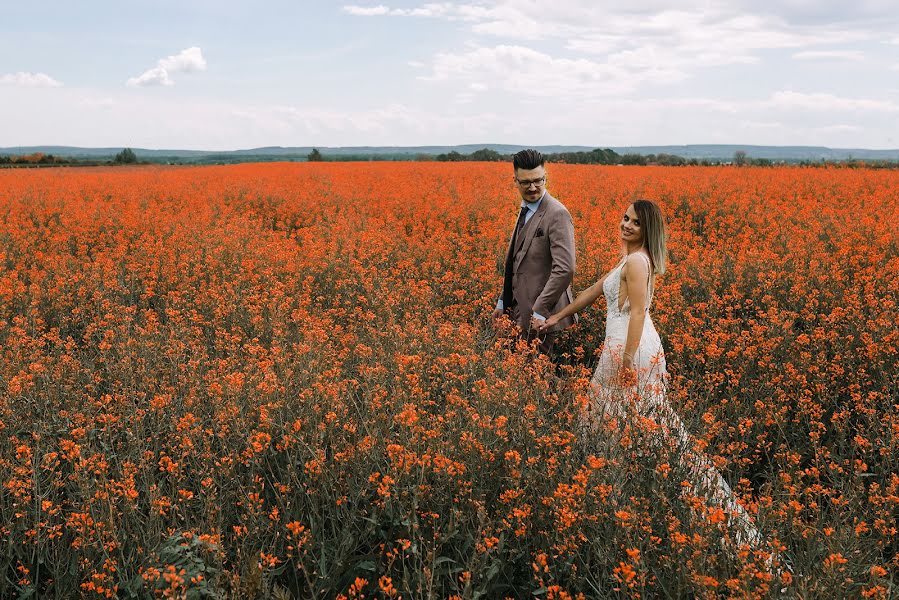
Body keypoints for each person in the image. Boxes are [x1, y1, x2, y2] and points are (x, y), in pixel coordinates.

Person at [537, 199, 765, 551]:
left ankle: (620, 495)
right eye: (625, 218)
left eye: (636, 223)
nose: (626, 225)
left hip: (631, 345)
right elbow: (592, 293)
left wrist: (627, 360)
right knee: (629, 419)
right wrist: (556, 317)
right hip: (626, 343)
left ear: (648, 230)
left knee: (617, 419)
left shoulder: (637, 261)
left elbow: (639, 311)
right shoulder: (629, 259)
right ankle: (626, 490)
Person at [492, 149, 576, 354]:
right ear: (515, 181)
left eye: (538, 180)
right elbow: (516, 261)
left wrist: (540, 310)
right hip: (518, 307)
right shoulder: (526, 209)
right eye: (526, 182)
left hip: (541, 313)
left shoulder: (557, 213)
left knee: (536, 373)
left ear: (545, 177)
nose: (532, 187)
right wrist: (503, 300)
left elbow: (565, 269)